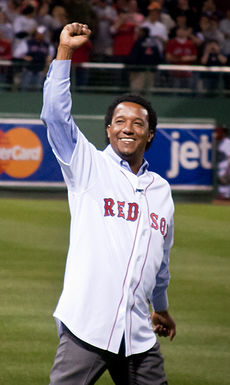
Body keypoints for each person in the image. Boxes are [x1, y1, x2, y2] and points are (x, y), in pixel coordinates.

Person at [41, 22, 176, 385]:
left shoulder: (161, 190)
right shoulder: (88, 166)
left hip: (138, 335)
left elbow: (160, 261)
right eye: (119, 121)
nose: (127, 128)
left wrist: (160, 309)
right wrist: (65, 52)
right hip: (88, 328)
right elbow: (55, 116)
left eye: (137, 123)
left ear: (150, 134)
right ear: (108, 130)